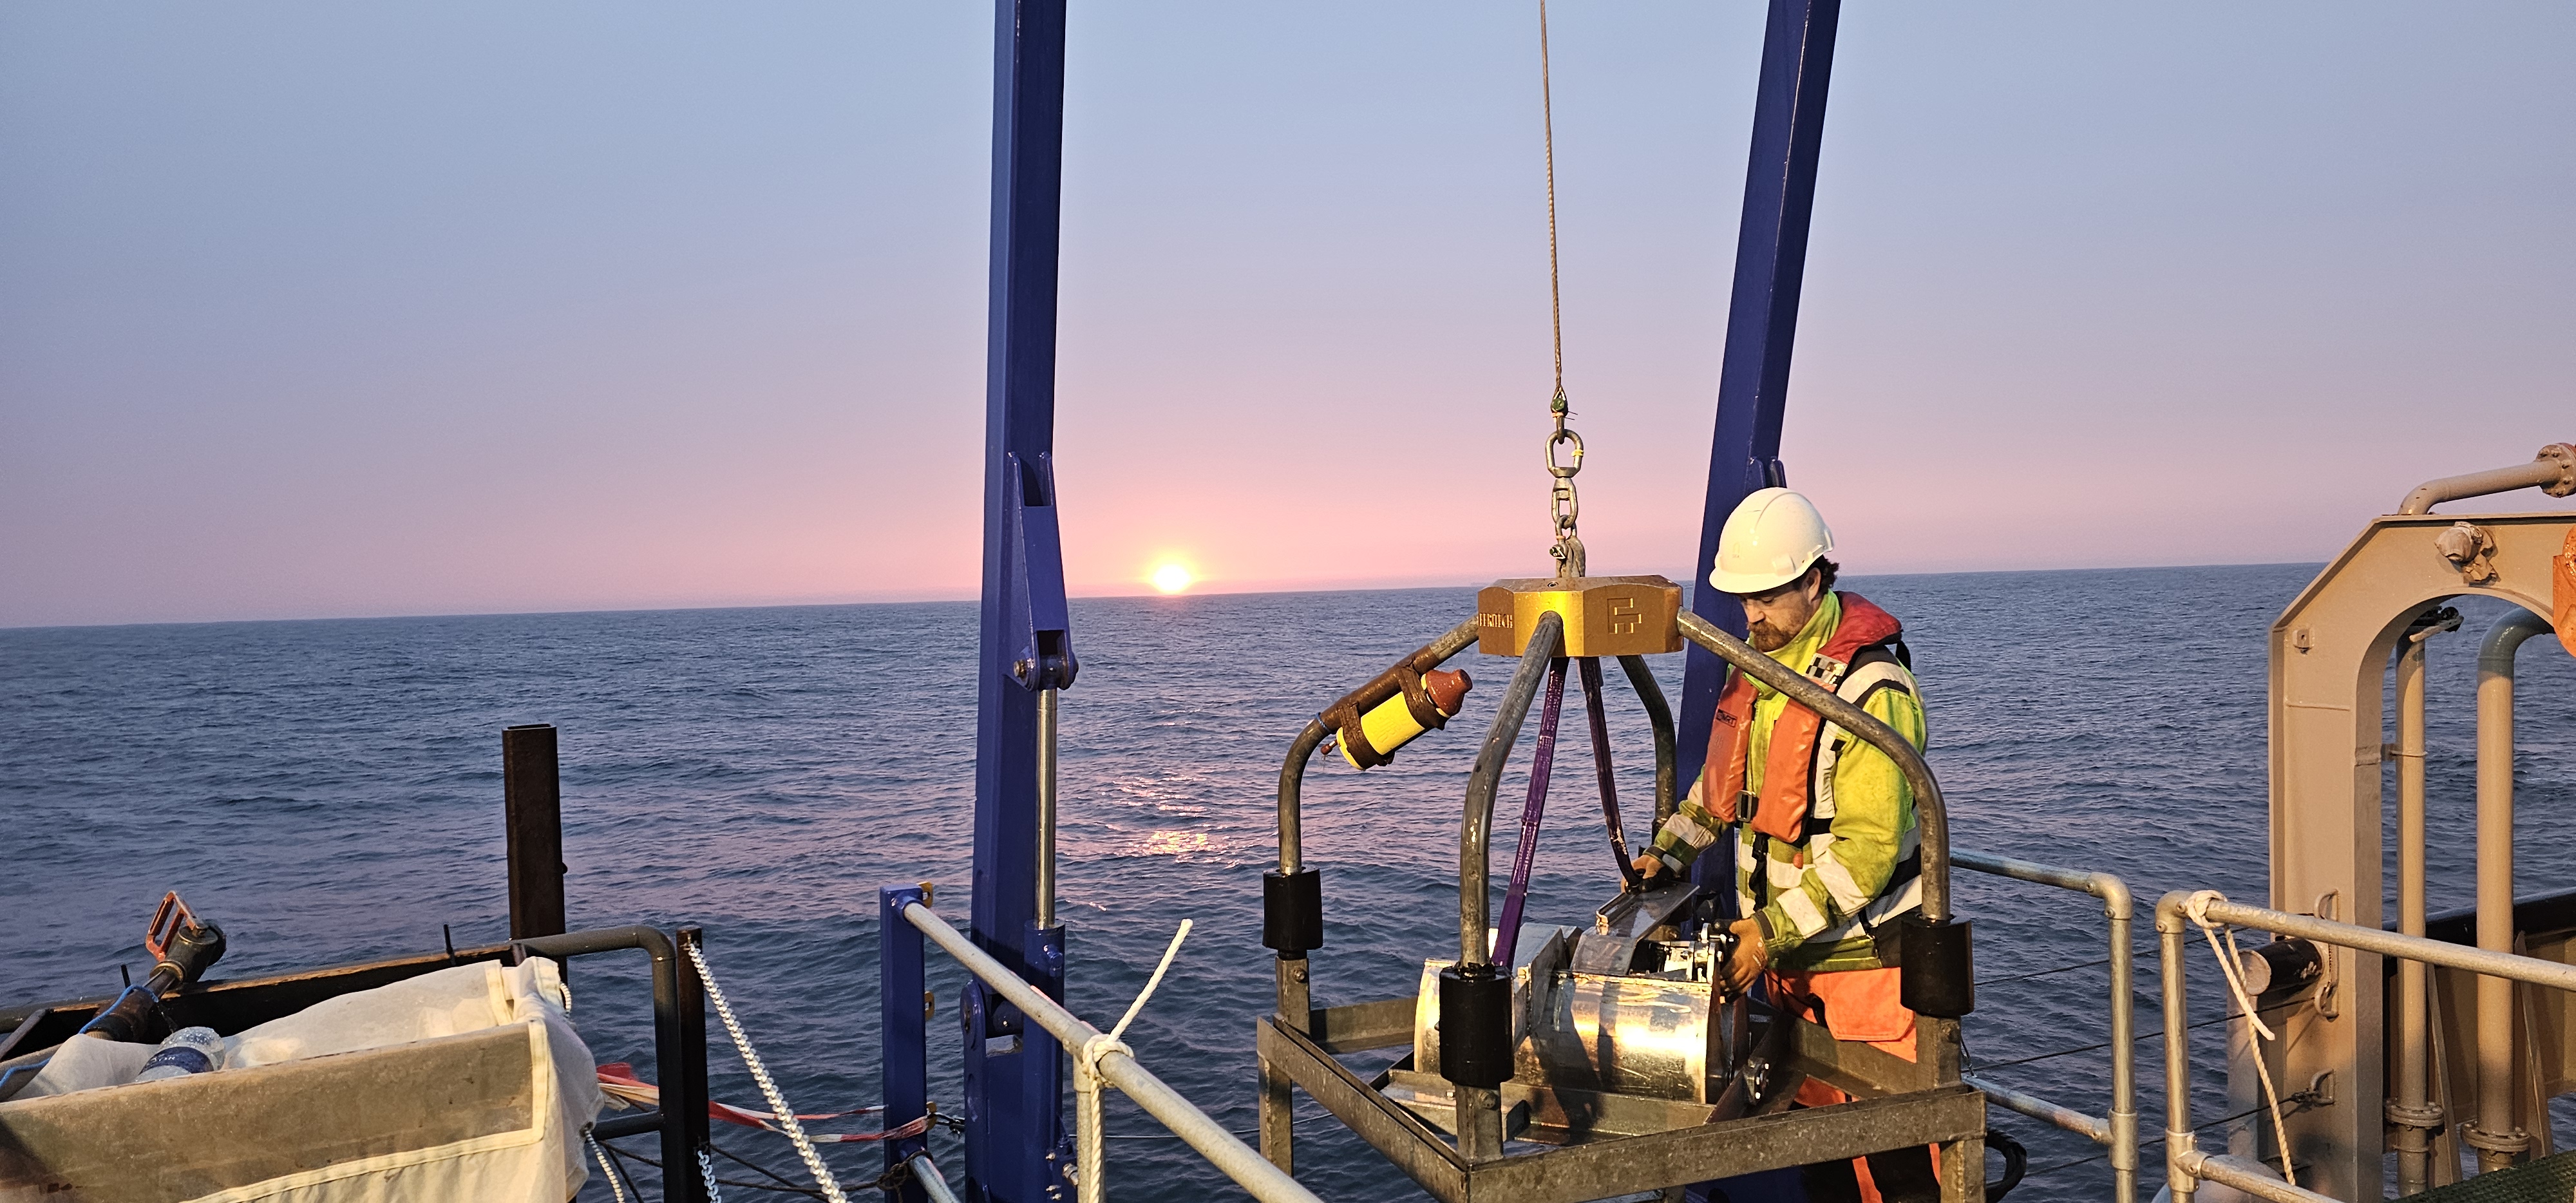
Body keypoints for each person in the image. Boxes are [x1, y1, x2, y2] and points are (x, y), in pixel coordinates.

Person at [1631, 486, 1937, 1202]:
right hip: (1793, 969)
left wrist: (1765, 933)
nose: (1752, 616)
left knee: (1898, 1168)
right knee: (1822, 1161)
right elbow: (1715, 796)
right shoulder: (1761, 674)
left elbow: (1865, 853)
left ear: (1814, 581)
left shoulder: (1873, 691)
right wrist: (1665, 855)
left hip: (1867, 972)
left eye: (1767, 597)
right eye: (1743, 599)